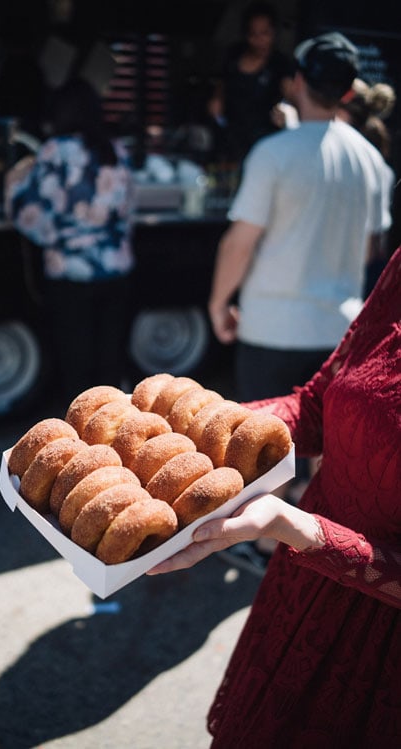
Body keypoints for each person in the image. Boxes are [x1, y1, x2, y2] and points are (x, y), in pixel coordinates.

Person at [148, 241, 401, 747]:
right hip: (301, 587)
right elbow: (317, 407)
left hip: (377, 651)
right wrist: (210, 424)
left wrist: (299, 530)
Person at [207, 31, 388, 571]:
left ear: (297, 82)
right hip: (339, 327)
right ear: (348, 92)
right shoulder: (371, 159)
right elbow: (371, 248)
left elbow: (239, 241)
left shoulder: (274, 152)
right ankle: (298, 544)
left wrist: (220, 303)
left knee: (262, 451)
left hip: (273, 323)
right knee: (321, 455)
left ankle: (264, 544)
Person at [6, 76, 135, 406]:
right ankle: (114, 434)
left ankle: (82, 443)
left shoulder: (55, 151)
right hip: (115, 270)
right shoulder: (115, 150)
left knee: (76, 366)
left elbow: (33, 215)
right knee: (109, 364)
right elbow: (127, 210)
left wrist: (13, 183)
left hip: (71, 273)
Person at [208, 1, 295, 162]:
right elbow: (221, 87)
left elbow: (291, 96)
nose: (259, 40)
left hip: (264, 139)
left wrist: (287, 113)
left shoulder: (280, 64)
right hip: (231, 135)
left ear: (274, 32)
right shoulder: (233, 55)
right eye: (253, 34)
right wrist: (216, 102)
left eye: (265, 33)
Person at [337, 78, 397, 297]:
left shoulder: (357, 161)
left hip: (356, 262)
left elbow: (371, 240)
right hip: (367, 259)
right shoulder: (376, 163)